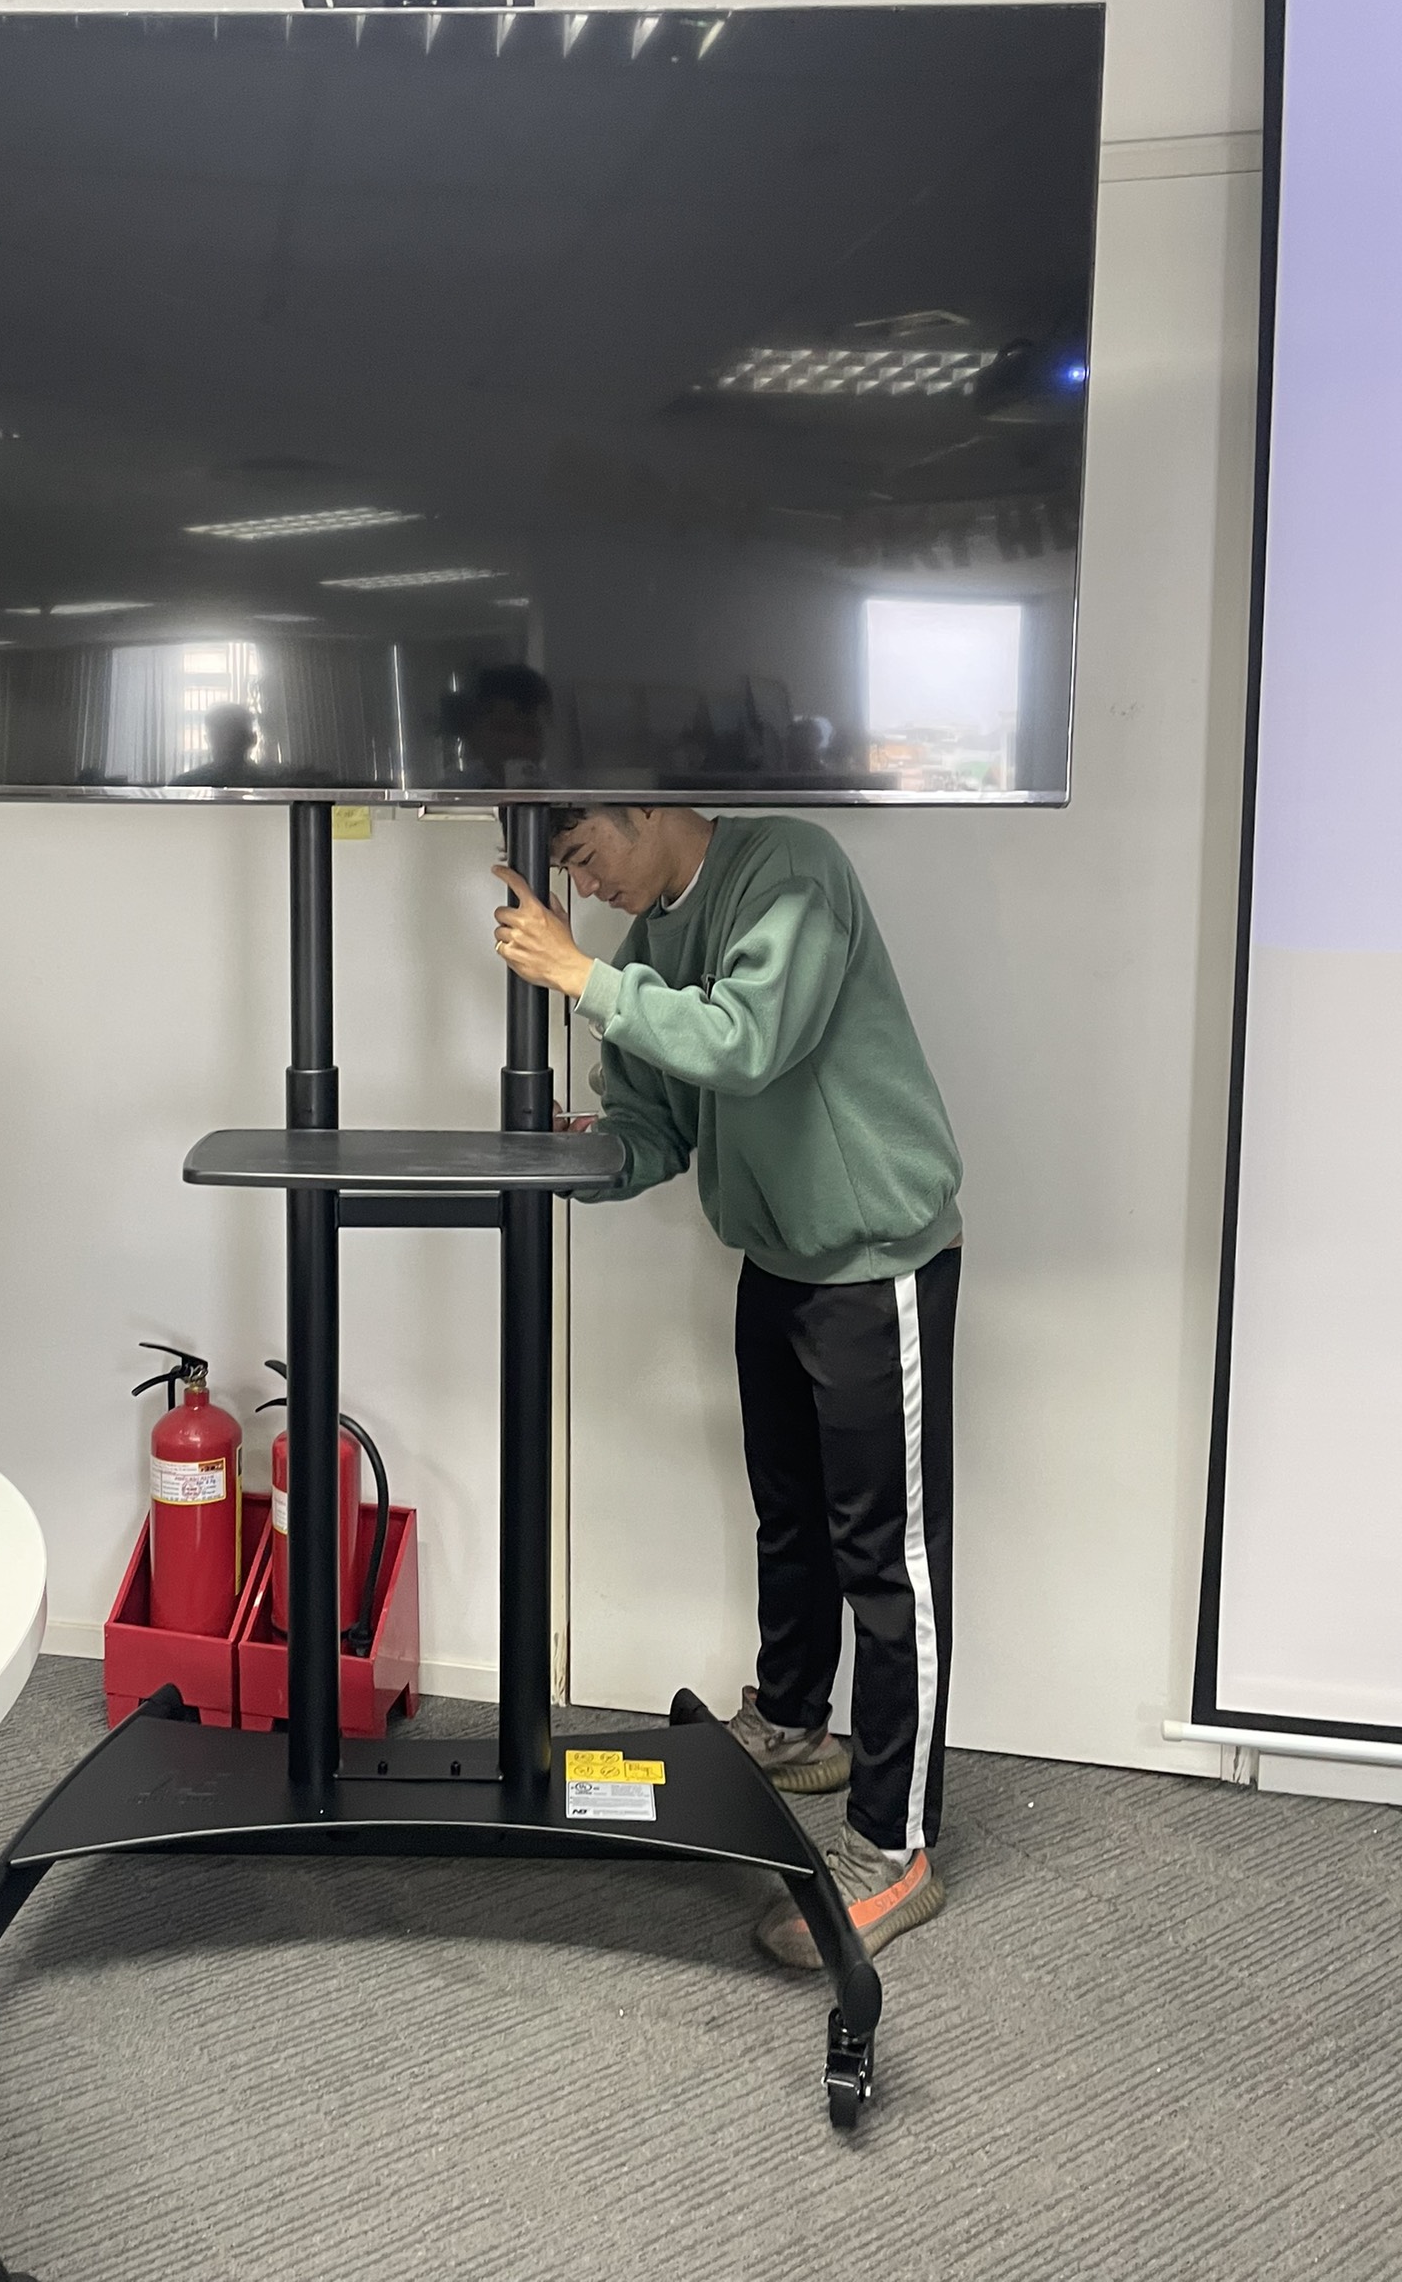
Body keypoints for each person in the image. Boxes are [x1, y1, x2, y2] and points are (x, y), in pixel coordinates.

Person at [490, 804, 961, 1965]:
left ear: (648, 808)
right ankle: (796, 1723)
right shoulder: (650, 944)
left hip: (876, 1262)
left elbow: (747, 1041)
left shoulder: (790, 868)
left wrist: (579, 974)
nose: (585, 890)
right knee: (790, 1519)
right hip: (778, 1257)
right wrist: (573, 1154)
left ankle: (896, 1849)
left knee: (887, 1562)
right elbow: (657, 1126)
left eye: (585, 857)